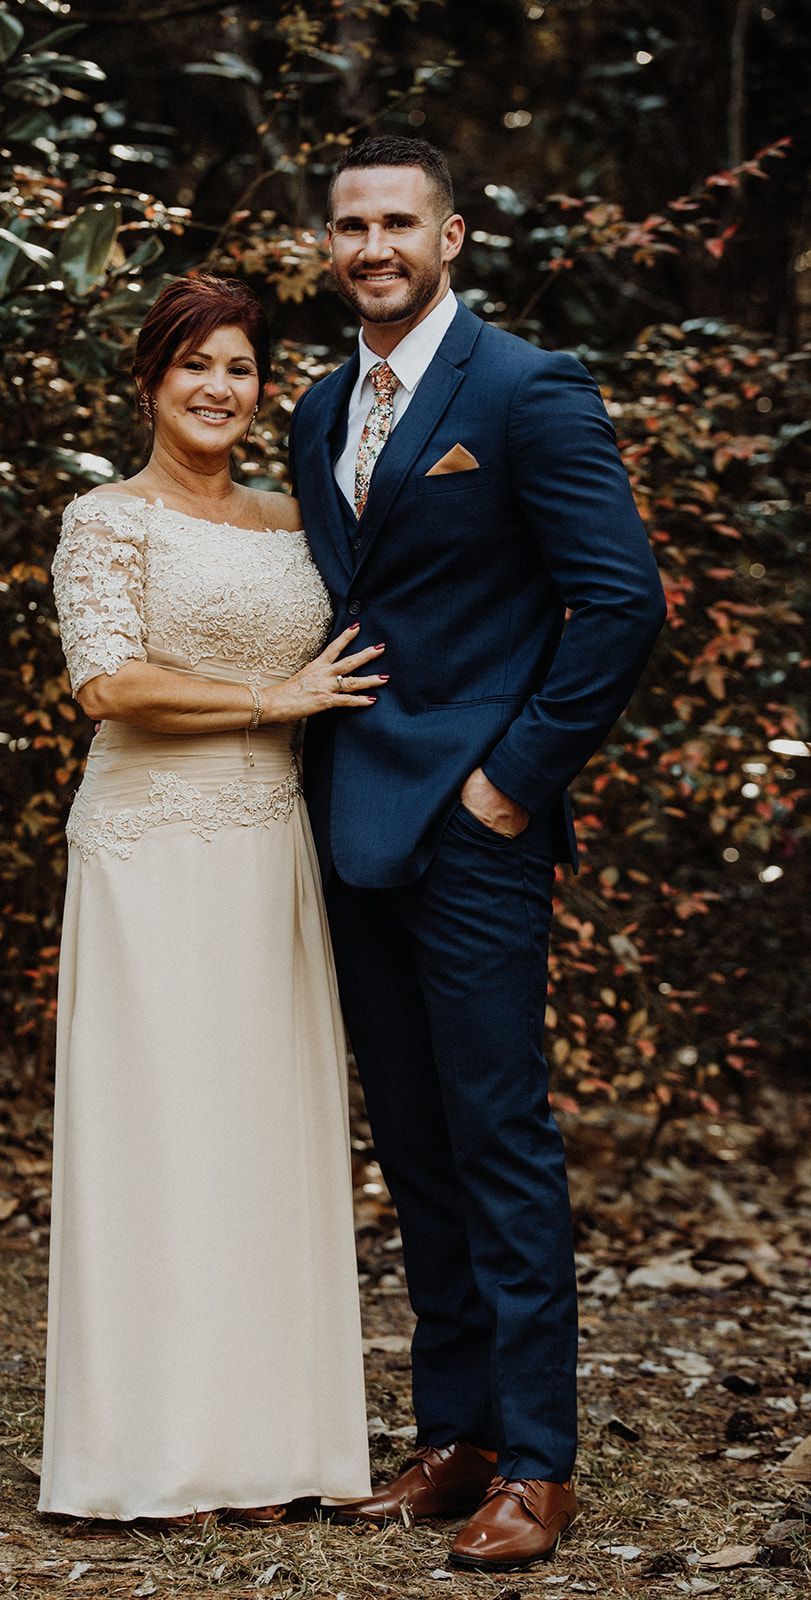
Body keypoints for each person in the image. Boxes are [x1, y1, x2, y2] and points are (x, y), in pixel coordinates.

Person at [289, 136, 667, 1573]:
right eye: (348, 224)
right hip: (348, 819)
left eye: (397, 221)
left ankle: (539, 1464)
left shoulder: (523, 391)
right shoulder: (323, 404)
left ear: (451, 238)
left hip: (471, 827)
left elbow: (617, 605)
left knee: (499, 1138)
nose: (371, 244)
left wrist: (507, 784)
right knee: (415, 1143)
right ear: (329, 245)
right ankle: (451, 1439)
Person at [37, 274, 380, 1523]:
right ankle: (146, 1452)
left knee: (257, 1132)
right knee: (158, 1130)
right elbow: (108, 684)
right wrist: (265, 703)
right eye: (194, 366)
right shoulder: (105, 518)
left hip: (267, 843)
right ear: (149, 382)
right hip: (149, 840)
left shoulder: (295, 520)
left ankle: (269, 1444)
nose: (218, 388)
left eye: (238, 367)